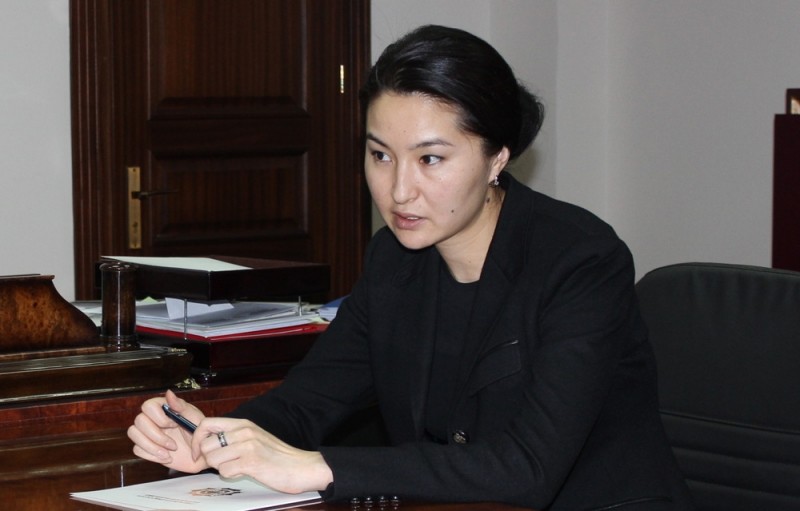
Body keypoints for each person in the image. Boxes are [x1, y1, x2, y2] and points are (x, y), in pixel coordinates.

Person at [128, 25, 695, 510]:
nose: (399, 190)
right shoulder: (395, 260)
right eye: (380, 155)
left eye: (430, 159)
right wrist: (211, 440)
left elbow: (528, 467)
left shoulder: (579, 261)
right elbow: (311, 400)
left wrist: (317, 467)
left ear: (497, 158)